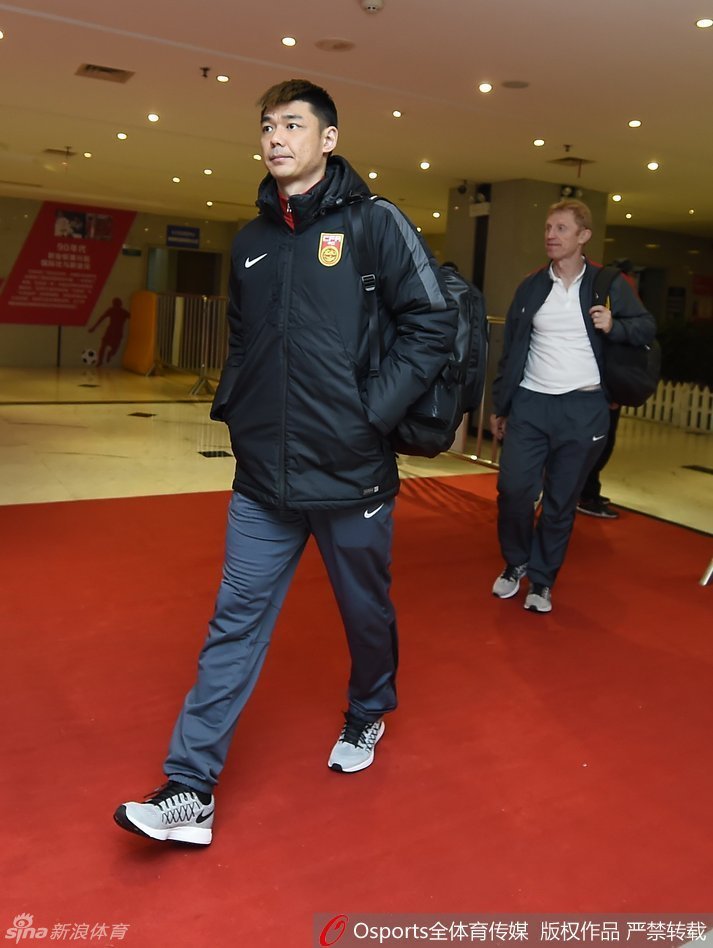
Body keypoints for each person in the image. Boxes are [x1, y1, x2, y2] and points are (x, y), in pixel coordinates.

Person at [113, 79, 457, 845]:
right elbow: (244, 340)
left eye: (293, 124)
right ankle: (190, 788)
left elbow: (432, 322)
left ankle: (368, 709)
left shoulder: (374, 223)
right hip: (264, 478)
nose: (276, 137)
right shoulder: (251, 241)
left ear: (327, 139)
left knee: (364, 613)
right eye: (268, 125)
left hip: (351, 472)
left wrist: (370, 414)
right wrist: (240, 410)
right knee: (232, 623)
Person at [489, 200, 655, 614]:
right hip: (531, 403)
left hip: (584, 407)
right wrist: (501, 406)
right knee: (513, 490)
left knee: (561, 501)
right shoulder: (531, 286)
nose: (551, 235)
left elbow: (646, 327)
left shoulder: (608, 283)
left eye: (561, 228)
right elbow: (512, 350)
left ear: (583, 236)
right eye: (548, 227)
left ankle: (542, 580)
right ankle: (516, 561)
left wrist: (615, 325)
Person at [576, 260, 640, 519]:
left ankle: (587, 490)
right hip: (603, 383)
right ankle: (586, 493)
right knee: (599, 443)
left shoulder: (603, 289)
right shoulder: (617, 288)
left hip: (601, 381)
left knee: (598, 442)